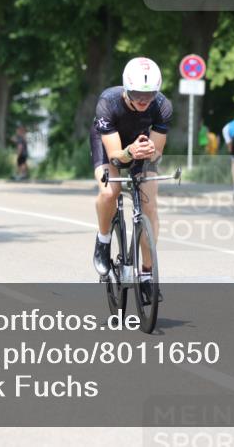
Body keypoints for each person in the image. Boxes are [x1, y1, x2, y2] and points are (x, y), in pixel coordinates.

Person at [91, 57, 172, 305]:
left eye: (149, 94)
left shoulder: (162, 106)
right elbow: (116, 155)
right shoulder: (108, 102)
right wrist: (129, 153)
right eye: (137, 93)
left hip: (141, 150)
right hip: (111, 146)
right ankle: (103, 241)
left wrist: (148, 152)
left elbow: (157, 152)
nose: (143, 100)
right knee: (109, 192)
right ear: (126, 88)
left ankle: (147, 274)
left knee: (150, 204)